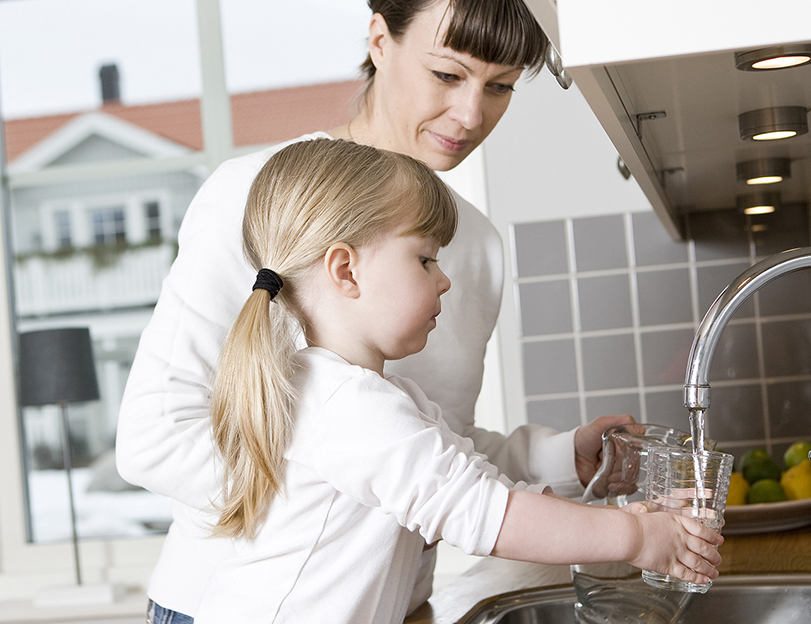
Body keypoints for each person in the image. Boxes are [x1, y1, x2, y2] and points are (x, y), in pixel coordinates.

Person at [115, 1, 632, 621]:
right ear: (380, 40)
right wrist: (346, 504)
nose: (471, 114)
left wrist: (560, 457)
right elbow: (157, 438)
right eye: (447, 74)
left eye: (499, 87)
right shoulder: (261, 197)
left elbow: (422, 445)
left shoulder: (474, 244)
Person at [190, 138, 721, 624]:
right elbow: (485, 514)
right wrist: (634, 535)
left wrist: (618, 502)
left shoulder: (366, 395)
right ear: (346, 270)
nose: (444, 280)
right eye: (425, 259)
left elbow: (485, 490)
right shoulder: (346, 404)